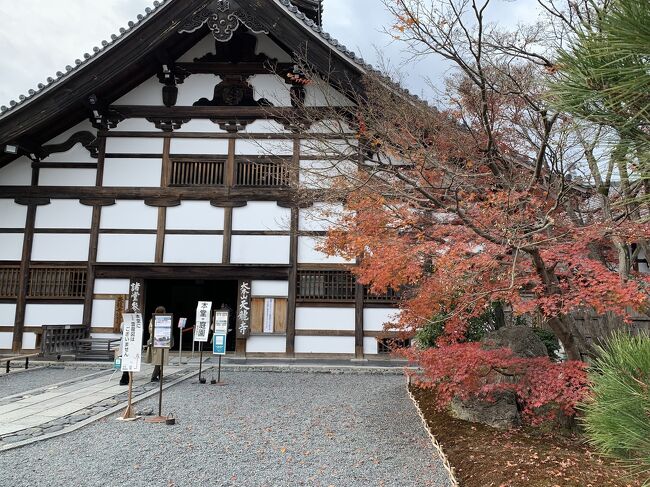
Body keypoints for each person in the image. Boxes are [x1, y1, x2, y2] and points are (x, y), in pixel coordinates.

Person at [149, 305, 173, 381]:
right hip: (157, 341)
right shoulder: (153, 320)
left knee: (161, 359)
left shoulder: (165, 319)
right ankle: (154, 376)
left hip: (163, 341)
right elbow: (151, 330)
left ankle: (160, 374)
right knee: (158, 360)